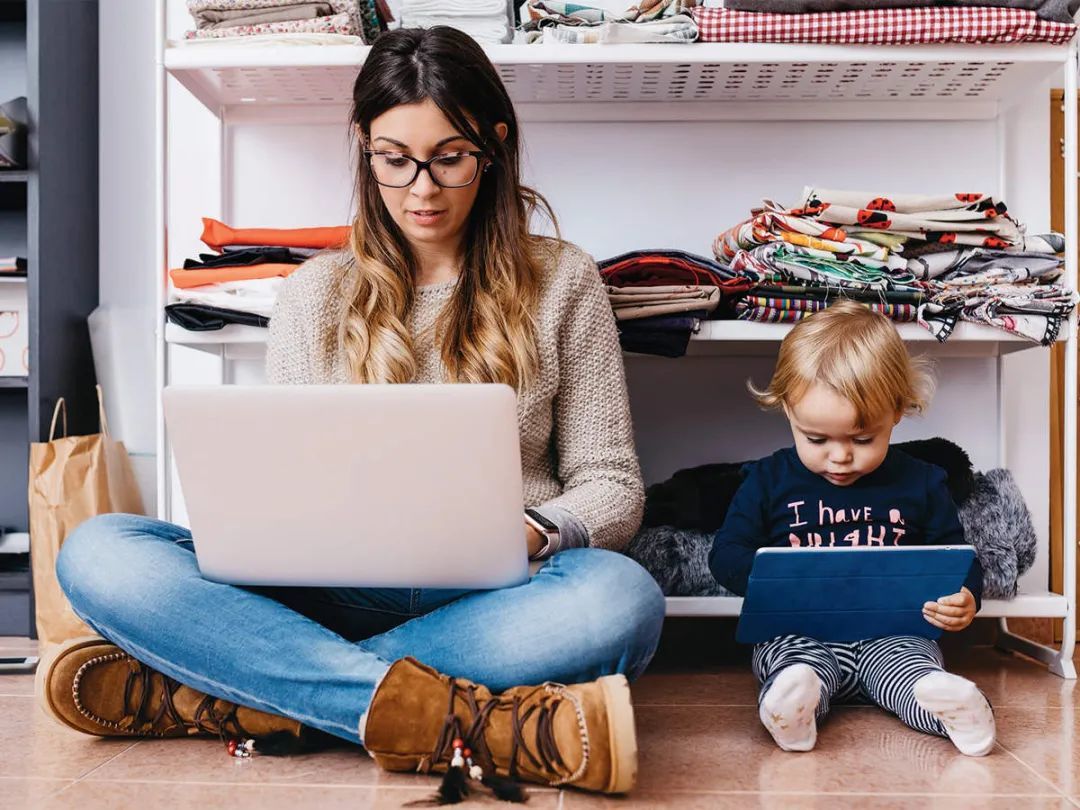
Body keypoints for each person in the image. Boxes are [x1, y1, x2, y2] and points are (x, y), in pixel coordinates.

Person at [41, 26, 665, 799]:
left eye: (450, 158)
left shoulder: (563, 280)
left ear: (495, 147)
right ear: (364, 148)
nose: (422, 189)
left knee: (622, 600)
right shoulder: (315, 294)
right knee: (98, 550)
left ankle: (261, 697)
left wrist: (537, 529)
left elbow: (613, 484)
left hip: (498, 596)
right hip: (327, 594)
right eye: (393, 160)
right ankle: (448, 715)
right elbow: (287, 483)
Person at [709, 300, 996, 757]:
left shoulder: (921, 481)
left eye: (863, 439)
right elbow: (726, 552)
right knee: (793, 664)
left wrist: (965, 598)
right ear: (788, 411)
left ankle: (948, 704)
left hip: (893, 632)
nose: (840, 457)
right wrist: (770, 581)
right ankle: (794, 706)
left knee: (908, 668)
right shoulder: (767, 480)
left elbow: (953, 556)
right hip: (800, 629)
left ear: (897, 413)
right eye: (816, 439)